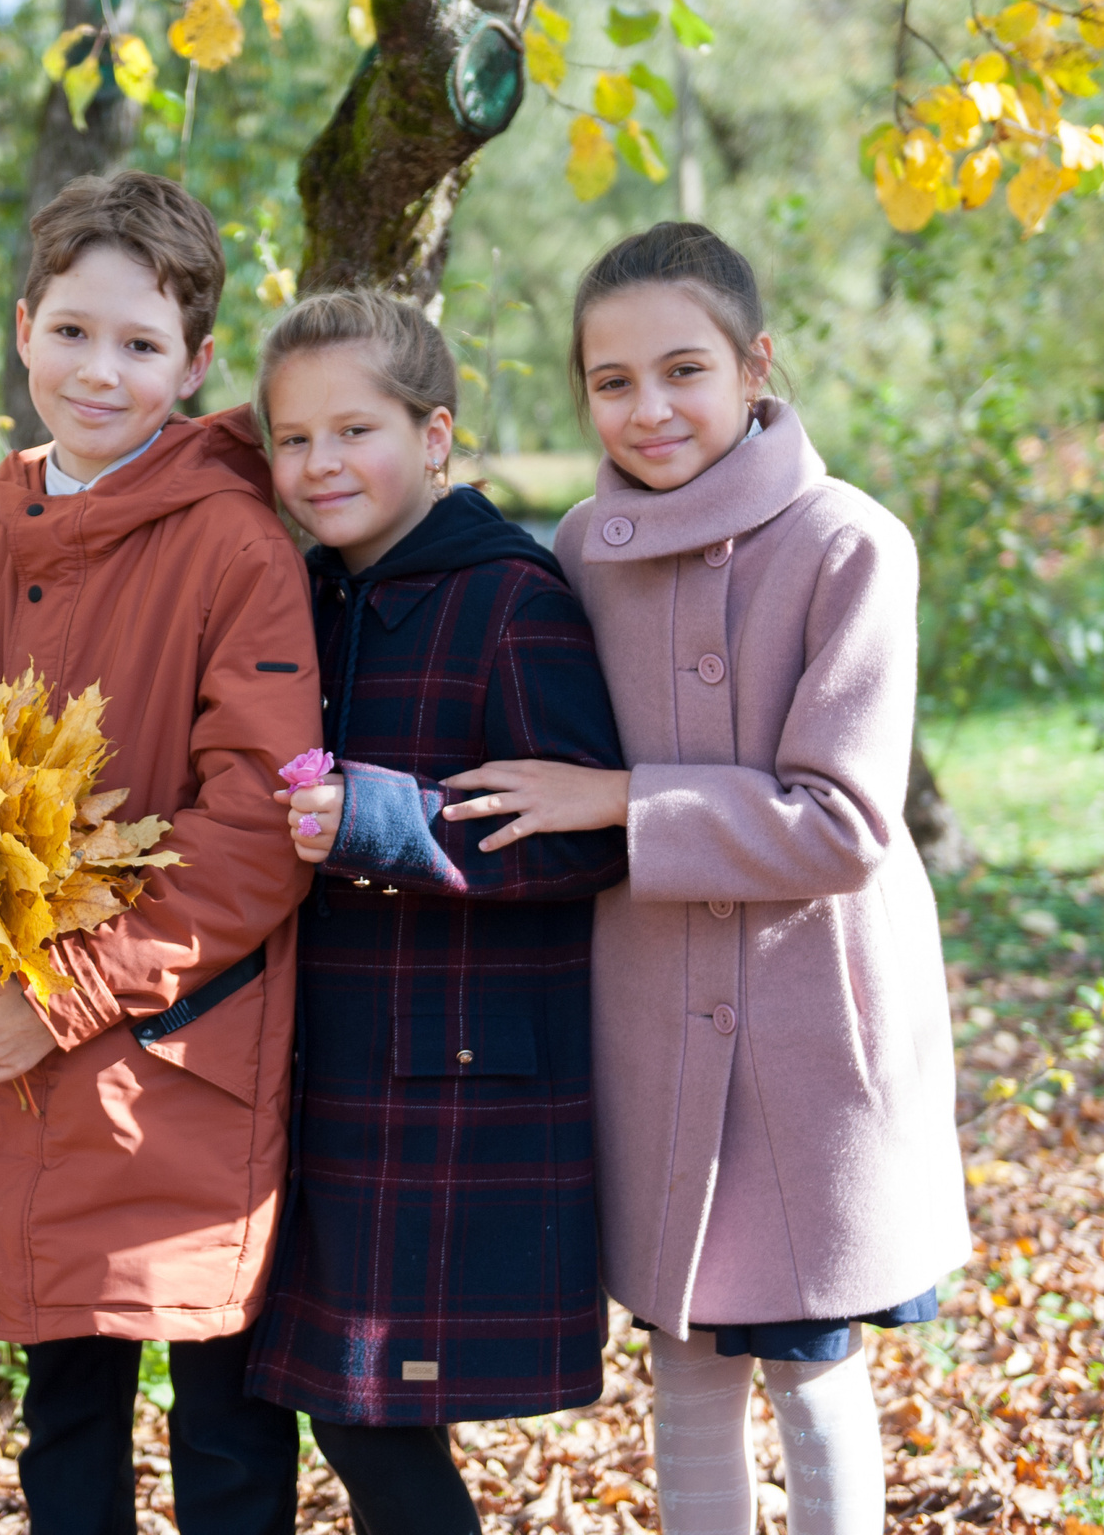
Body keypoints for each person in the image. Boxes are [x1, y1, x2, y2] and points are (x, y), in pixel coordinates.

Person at [441, 222, 971, 1535]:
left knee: (810, 1365)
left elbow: (843, 822)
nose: (650, 409)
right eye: (611, 381)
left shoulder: (849, 544)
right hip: (651, 1016)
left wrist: (623, 802)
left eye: (683, 370)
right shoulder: (581, 549)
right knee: (682, 1362)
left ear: (753, 364)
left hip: (807, 1023)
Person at [0, 170, 322, 1535]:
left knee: (222, 1434)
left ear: (196, 363)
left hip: (179, 1045)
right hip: (20, 1059)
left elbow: (259, 827)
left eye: (141, 344)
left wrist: (64, 994)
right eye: (73, 333)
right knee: (65, 1424)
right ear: (24, 330)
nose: (101, 372)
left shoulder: (237, 547)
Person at [246, 291, 629, 1535]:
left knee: (367, 1409)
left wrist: (377, 821)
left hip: (449, 1079)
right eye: (293, 439)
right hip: (323, 1065)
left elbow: (582, 838)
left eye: (354, 430)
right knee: (341, 1404)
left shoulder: (512, 600)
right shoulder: (304, 596)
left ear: (436, 436)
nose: (320, 463)